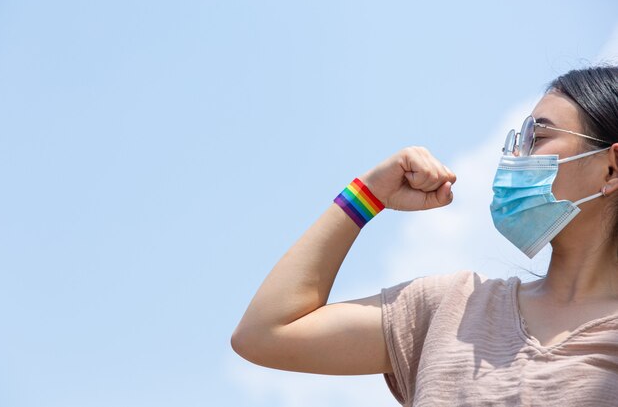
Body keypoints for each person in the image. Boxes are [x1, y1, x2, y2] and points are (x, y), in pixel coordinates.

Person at [231, 66, 618, 406]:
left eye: (538, 138)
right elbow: (264, 333)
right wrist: (368, 193)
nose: (515, 158)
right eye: (518, 139)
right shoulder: (450, 308)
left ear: (611, 170)